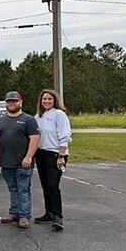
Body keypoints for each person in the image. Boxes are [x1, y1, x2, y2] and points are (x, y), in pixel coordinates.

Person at [0, 91, 40, 229]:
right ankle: (14, 213)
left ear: (20, 102)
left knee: (23, 189)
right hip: (6, 162)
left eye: (14, 101)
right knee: (13, 189)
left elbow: (34, 138)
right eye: (9, 101)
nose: (11, 103)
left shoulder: (28, 120)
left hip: (23, 163)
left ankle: (24, 216)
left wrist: (29, 157)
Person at [34, 89, 72, 230]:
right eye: (44, 99)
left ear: (54, 100)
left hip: (55, 154)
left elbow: (65, 136)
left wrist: (61, 155)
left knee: (52, 185)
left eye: (50, 99)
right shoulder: (38, 117)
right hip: (41, 154)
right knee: (45, 185)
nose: (47, 101)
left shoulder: (59, 115)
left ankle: (57, 216)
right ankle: (48, 212)